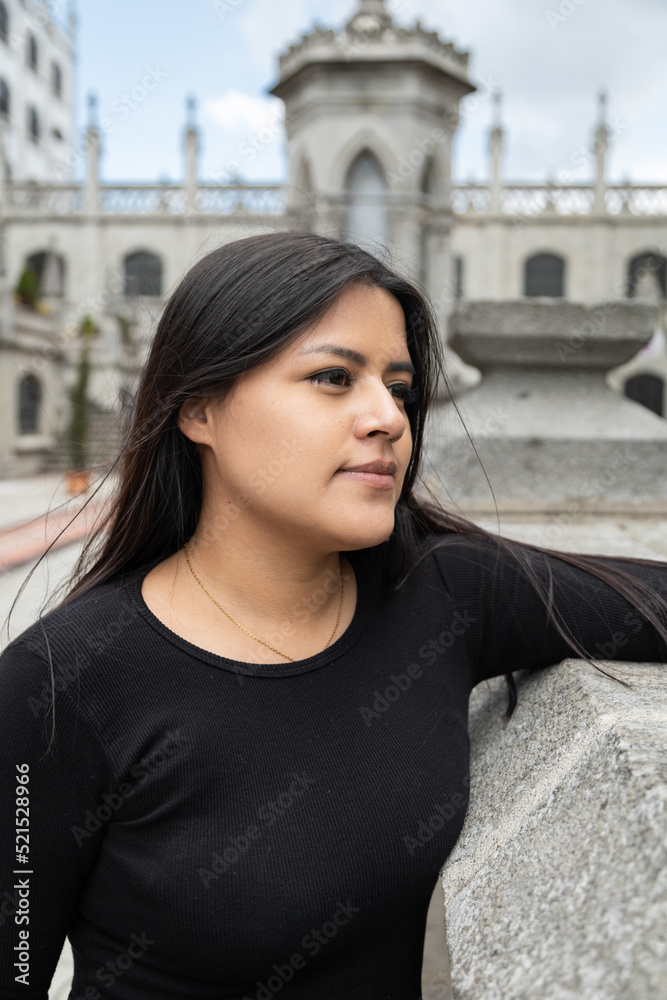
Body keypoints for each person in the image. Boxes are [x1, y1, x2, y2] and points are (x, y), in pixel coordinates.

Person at [1, 231, 666, 1000]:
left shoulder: (443, 594)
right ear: (199, 410)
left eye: (398, 386)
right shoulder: (62, 681)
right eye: (331, 377)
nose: (387, 417)